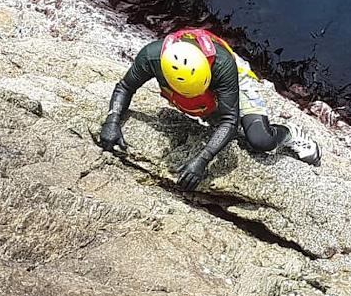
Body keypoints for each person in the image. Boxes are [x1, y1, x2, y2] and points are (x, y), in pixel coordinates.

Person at [98, 28, 321, 191]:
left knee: (259, 140)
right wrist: (112, 120)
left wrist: (202, 159)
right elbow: (125, 86)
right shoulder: (152, 56)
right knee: (217, 127)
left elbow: (229, 121)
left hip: (232, 80)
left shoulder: (223, 65)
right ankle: (198, 103)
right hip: (198, 92)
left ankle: (289, 133)